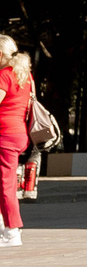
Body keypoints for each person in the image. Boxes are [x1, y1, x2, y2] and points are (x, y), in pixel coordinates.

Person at [0, 36, 31, 248]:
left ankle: (12, 232)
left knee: (6, 185)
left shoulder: (4, 75)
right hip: (19, 134)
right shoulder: (25, 75)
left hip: (5, 136)